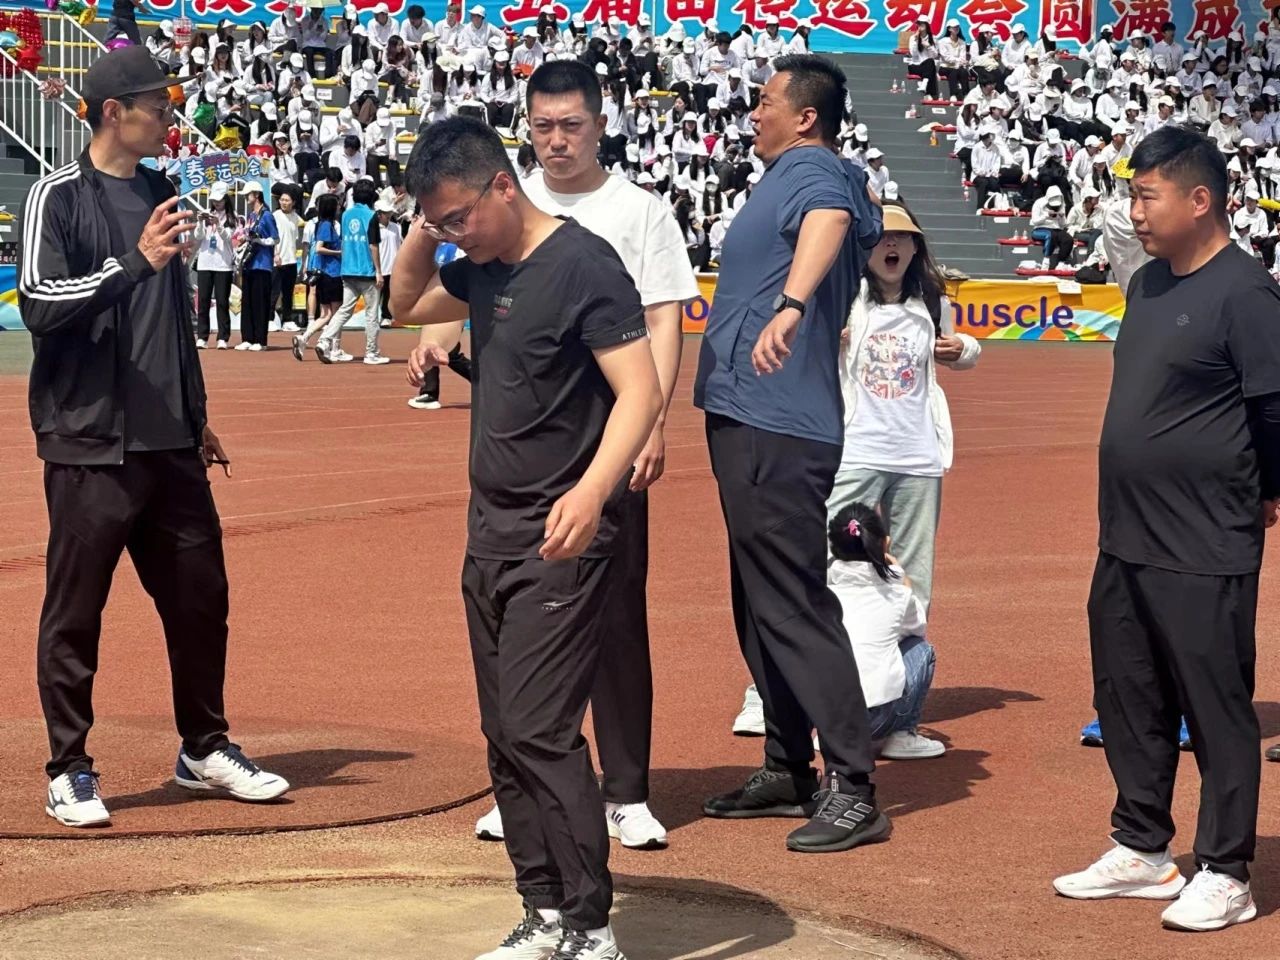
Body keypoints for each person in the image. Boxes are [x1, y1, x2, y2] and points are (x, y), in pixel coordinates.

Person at [390, 115, 661, 960]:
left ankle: (590, 925)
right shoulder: (482, 267)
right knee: (505, 733)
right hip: (489, 536)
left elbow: (641, 391)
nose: (454, 235)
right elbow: (405, 305)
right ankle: (542, 910)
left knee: (541, 729)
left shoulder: (585, 265)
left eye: (460, 217)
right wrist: (426, 226)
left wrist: (592, 490)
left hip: (561, 538)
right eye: (441, 223)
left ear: (504, 186)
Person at [18, 46, 288, 828]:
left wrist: (196, 413)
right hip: (90, 444)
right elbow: (37, 300)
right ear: (114, 112)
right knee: (76, 612)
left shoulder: (163, 189)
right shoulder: (55, 195)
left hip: (171, 443)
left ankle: (204, 748)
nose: (171, 118)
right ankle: (69, 768)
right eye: (159, 106)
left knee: (202, 600)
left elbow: (171, 317)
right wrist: (129, 264)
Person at [465, 59, 698, 852]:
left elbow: (663, 318)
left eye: (571, 125)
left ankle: (626, 791)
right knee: (515, 624)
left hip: (609, 445)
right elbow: (470, 292)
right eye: (543, 127)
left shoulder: (639, 211)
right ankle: (528, 787)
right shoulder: (508, 201)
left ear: (601, 124)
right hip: (527, 449)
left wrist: (653, 421)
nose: (557, 140)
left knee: (616, 617)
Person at [1052, 125, 1280, 933]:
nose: (1135, 212)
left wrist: (1268, 491)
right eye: (1132, 195)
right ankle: (1143, 845)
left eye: (1147, 196)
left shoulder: (1247, 293)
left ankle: (1226, 869)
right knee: (1128, 693)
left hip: (1204, 538)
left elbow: (1272, 409)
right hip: (1126, 534)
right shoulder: (1148, 283)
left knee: (1215, 706)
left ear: (1200, 200)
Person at [694, 54, 889, 854]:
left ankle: (854, 786)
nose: (753, 112)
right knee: (759, 599)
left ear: (806, 116)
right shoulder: (797, 175)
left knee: (792, 601)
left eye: (766, 100)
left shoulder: (814, 171)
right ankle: (788, 766)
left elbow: (834, 220)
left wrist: (791, 304)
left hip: (776, 417)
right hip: (752, 414)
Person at [825, 201, 979, 750]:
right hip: (857, 452)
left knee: (914, 581)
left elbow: (962, 353)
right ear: (865, 247)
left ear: (916, 248)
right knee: (828, 566)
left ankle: (901, 718)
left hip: (917, 458)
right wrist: (830, 337)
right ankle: (804, 696)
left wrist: (964, 349)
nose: (891, 245)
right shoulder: (844, 296)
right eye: (882, 237)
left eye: (903, 237)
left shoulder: (932, 301)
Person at [827, 502, 936, 753]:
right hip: (877, 721)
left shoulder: (823, 594)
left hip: (828, 719)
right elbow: (917, 629)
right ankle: (903, 735)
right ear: (885, 544)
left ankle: (826, 738)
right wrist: (903, 582)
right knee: (921, 649)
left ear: (833, 547)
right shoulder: (898, 595)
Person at [315, 179, 385, 364]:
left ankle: (324, 340)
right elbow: (373, 245)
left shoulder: (345, 215)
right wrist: (378, 271)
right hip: (366, 271)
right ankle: (371, 353)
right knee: (371, 314)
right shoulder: (371, 216)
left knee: (344, 311)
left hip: (347, 269)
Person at [292, 192, 344, 360]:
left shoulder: (323, 224)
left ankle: (304, 338)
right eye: (337, 205)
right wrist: (339, 252)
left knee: (326, 314)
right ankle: (332, 346)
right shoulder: (326, 225)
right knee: (336, 314)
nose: (339, 207)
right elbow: (319, 248)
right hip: (331, 273)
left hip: (325, 273)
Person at [193, 180, 235, 350]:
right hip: (205, 263)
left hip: (223, 264)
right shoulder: (207, 214)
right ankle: (202, 336)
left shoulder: (232, 217)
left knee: (222, 301)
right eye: (214, 200)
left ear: (225, 199)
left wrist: (218, 225)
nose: (216, 203)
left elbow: (228, 238)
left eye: (219, 200)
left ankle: (223, 337)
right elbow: (198, 236)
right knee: (203, 300)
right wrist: (200, 222)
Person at [238, 181, 278, 351]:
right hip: (249, 263)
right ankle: (247, 337)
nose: (246, 198)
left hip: (262, 264)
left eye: (248, 195)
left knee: (260, 302)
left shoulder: (267, 215)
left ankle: (260, 340)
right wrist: (246, 239)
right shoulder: (251, 216)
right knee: (247, 302)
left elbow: (275, 239)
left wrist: (260, 240)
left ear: (256, 195)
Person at [272, 186, 303, 332]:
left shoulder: (296, 217)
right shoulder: (275, 216)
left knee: (288, 292)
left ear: (293, 202)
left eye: (287, 200)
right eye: (282, 200)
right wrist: (276, 254)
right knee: (274, 291)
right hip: (278, 260)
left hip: (291, 260)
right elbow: (272, 237)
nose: (284, 202)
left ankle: (287, 320)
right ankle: (269, 319)